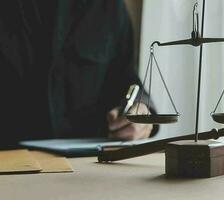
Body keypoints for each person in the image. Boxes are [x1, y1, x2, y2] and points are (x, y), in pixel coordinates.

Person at [0, 0, 156, 149]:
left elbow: (129, 82)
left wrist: (140, 114)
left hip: (88, 163)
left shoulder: (109, 6)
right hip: (8, 160)